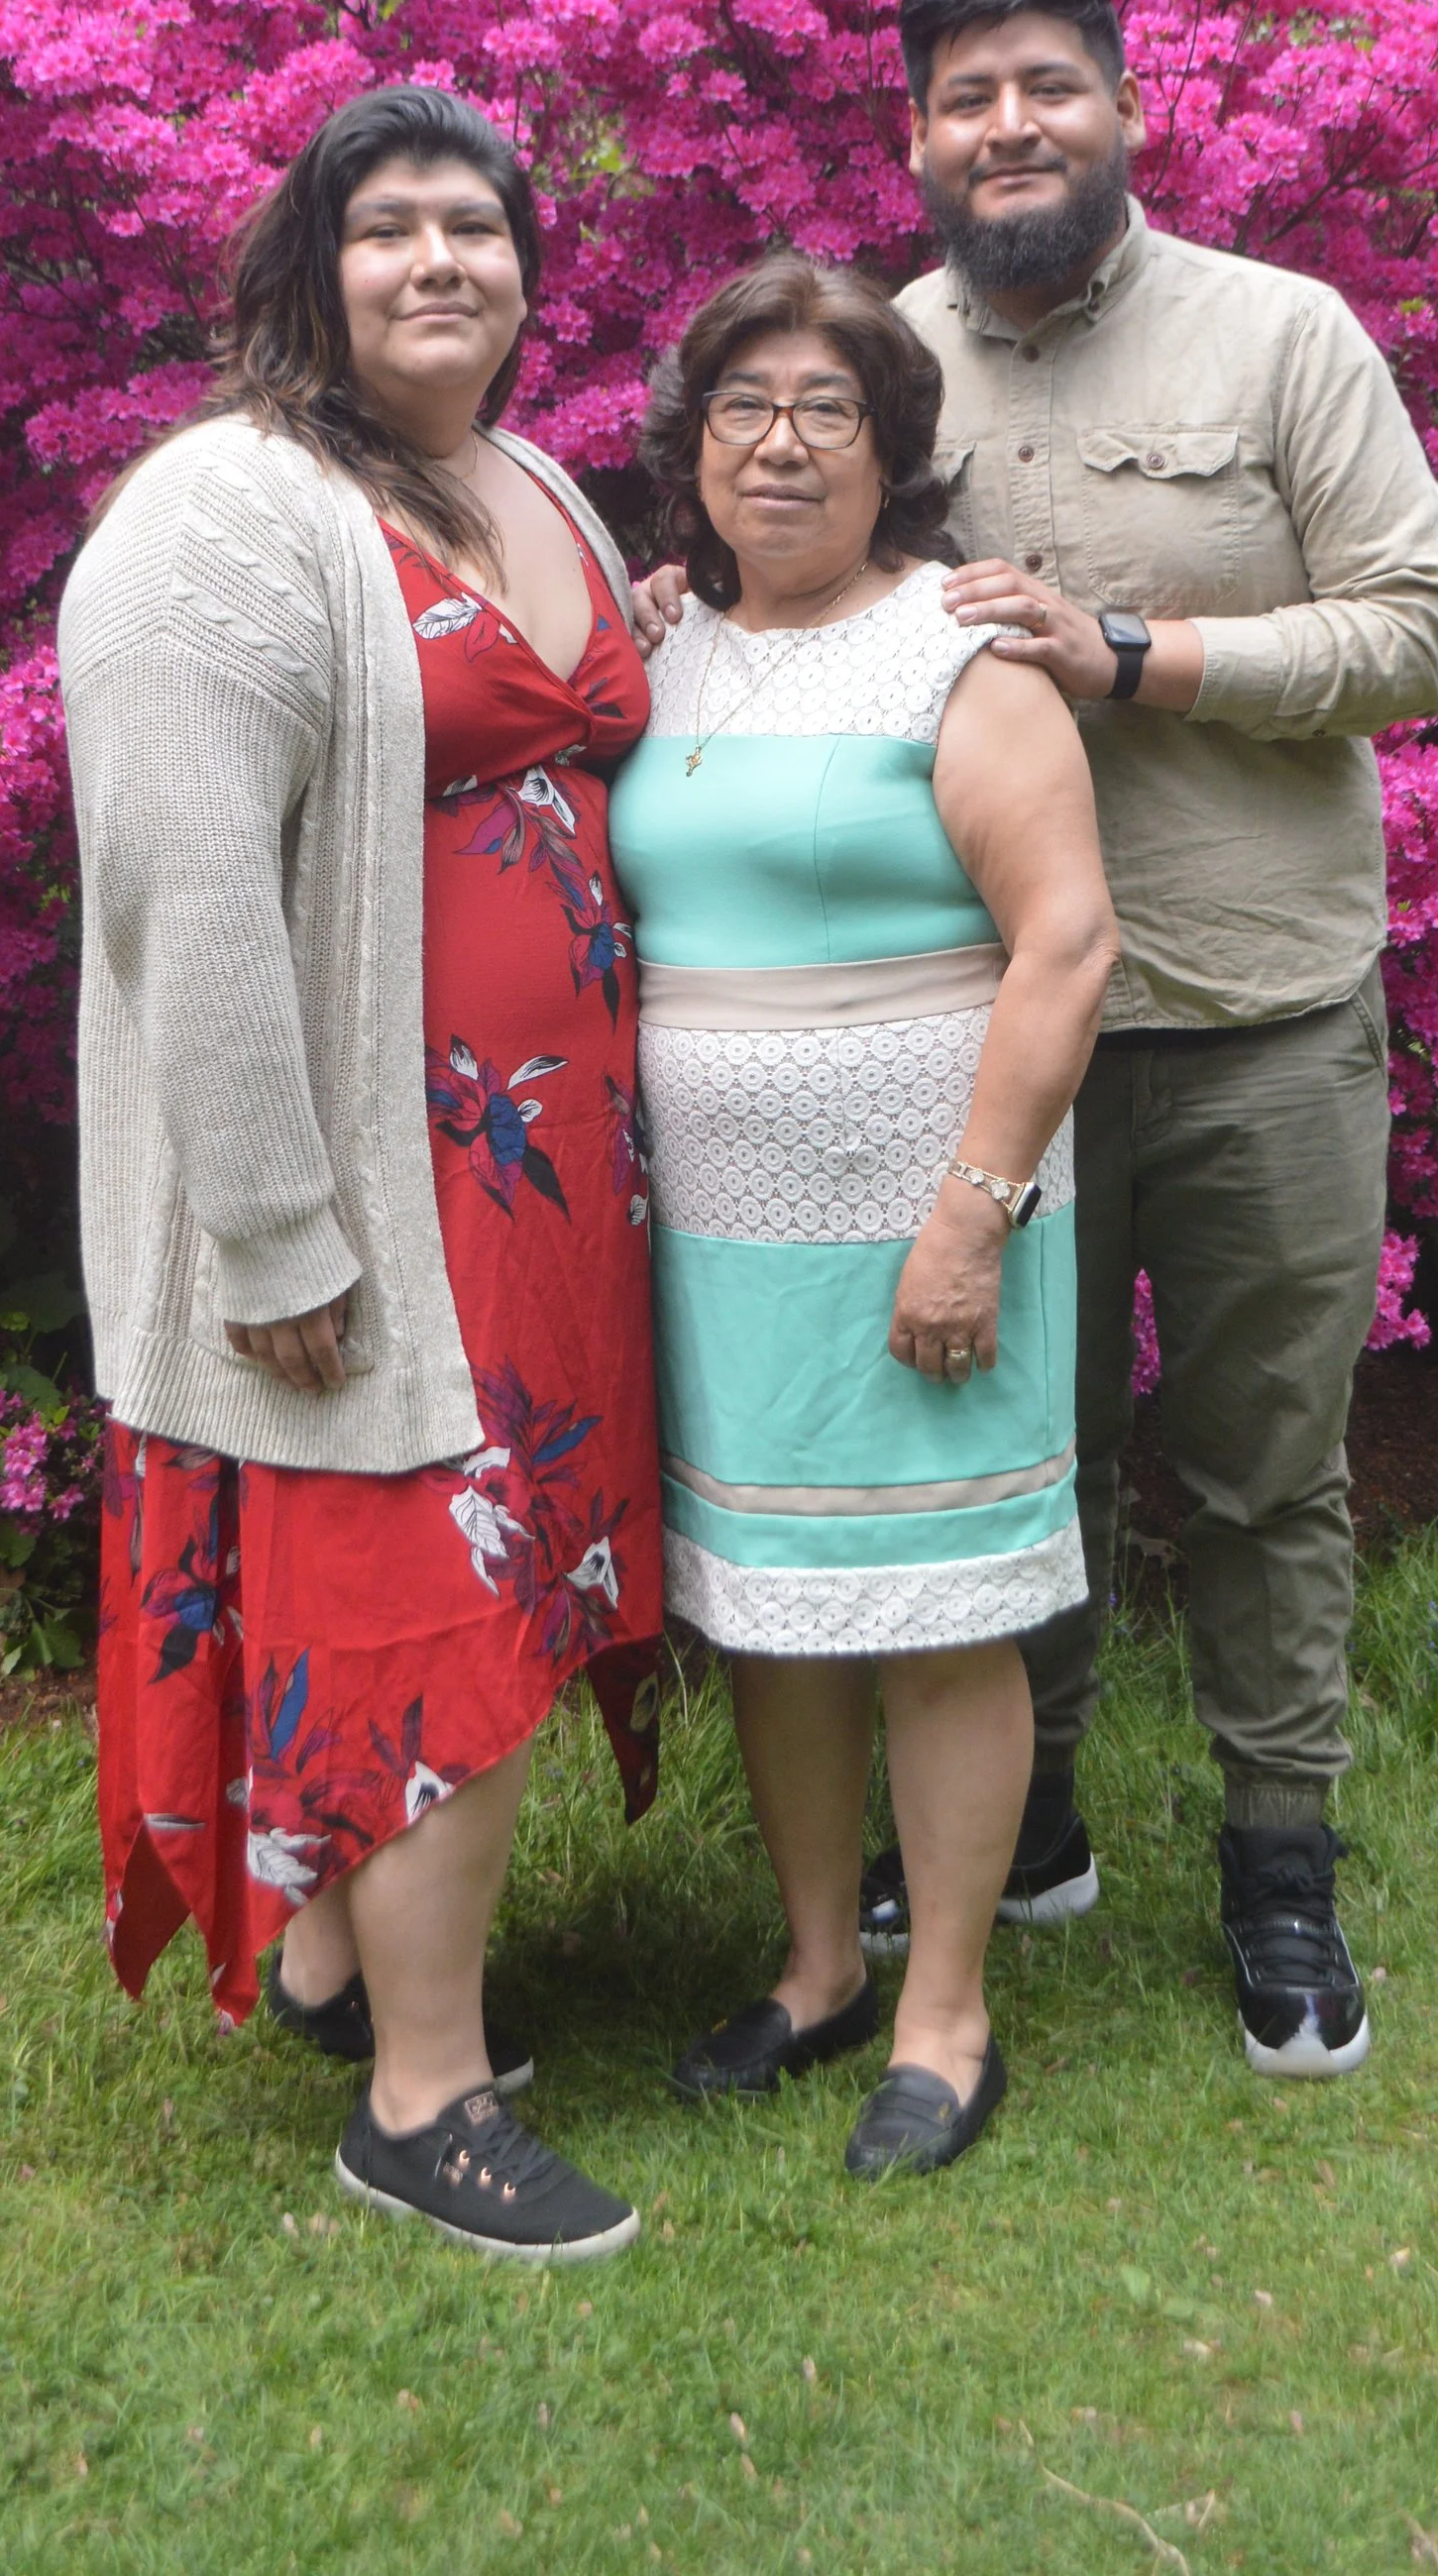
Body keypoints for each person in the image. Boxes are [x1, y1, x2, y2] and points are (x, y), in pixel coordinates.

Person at [57, 84, 664, 2266]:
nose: (440, 261)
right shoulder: (221, 506)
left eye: (476, 227)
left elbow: (570, 718)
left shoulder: (526, 480)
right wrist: (270, 1219)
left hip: (543, 1179)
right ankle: (424, 2098)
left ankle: (335, 1968)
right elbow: (183, 878)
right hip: (370, 1180)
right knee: (424, 1588)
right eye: (389, 227)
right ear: (308, 270)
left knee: (452, 1557)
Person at [876, 0, 1438, 2080]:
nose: (1006, 125)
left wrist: (1135, 652)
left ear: (1120, 101)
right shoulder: (874, 359)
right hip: (989, 1023)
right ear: (918, 135)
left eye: (1044, 83)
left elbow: (1412, 631)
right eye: (965, 95)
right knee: (1016, 1452)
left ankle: (1276, 1858)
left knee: (1256, 1462)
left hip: (1255, 1005)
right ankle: (1025, 1813)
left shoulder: (1278, 334)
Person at [608, 257, 1116, 2178]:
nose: (781, 441)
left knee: (935, 1611)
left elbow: (1065, 938)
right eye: (743, 405)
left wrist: (969, 1216)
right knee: (777, 1614)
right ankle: (819, 1964)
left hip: (931, 1219)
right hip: (721, 1237)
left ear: (893, 448)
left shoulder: (958, 649)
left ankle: (944, 2008)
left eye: (827, 407)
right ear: (692, 446)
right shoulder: (651, 648)